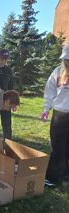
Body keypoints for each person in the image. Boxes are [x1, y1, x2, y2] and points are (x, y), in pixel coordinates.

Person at [41, 43, 69, 185]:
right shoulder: (58, 71)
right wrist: (46, 109)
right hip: (59, 114)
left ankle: (65, 175)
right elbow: (50, 91)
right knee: (57, 146)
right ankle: (54, 177)